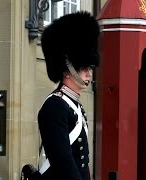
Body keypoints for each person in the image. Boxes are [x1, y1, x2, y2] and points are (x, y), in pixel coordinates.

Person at [38, 11, 100, 180]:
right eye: (84, 68)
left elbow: (82, 161)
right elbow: (63, 161)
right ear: (67, 71)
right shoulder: (54, 106)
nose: (89, 73)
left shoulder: (74, 105)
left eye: (89, 68)